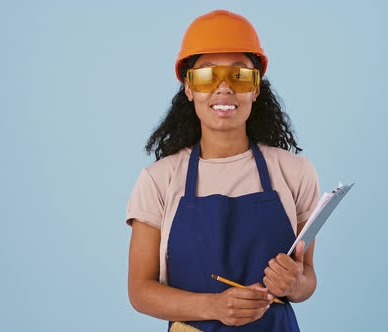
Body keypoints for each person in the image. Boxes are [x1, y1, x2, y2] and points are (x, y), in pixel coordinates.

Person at [126, 9, 320, 331]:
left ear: (256, 88)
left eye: (239, 75)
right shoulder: (158, 181)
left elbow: (307, 279)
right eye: (207, 76)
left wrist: (295, 283)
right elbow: (140, 291)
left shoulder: (295, 173)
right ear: (188, 88)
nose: (224, 88)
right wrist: (214, 306)